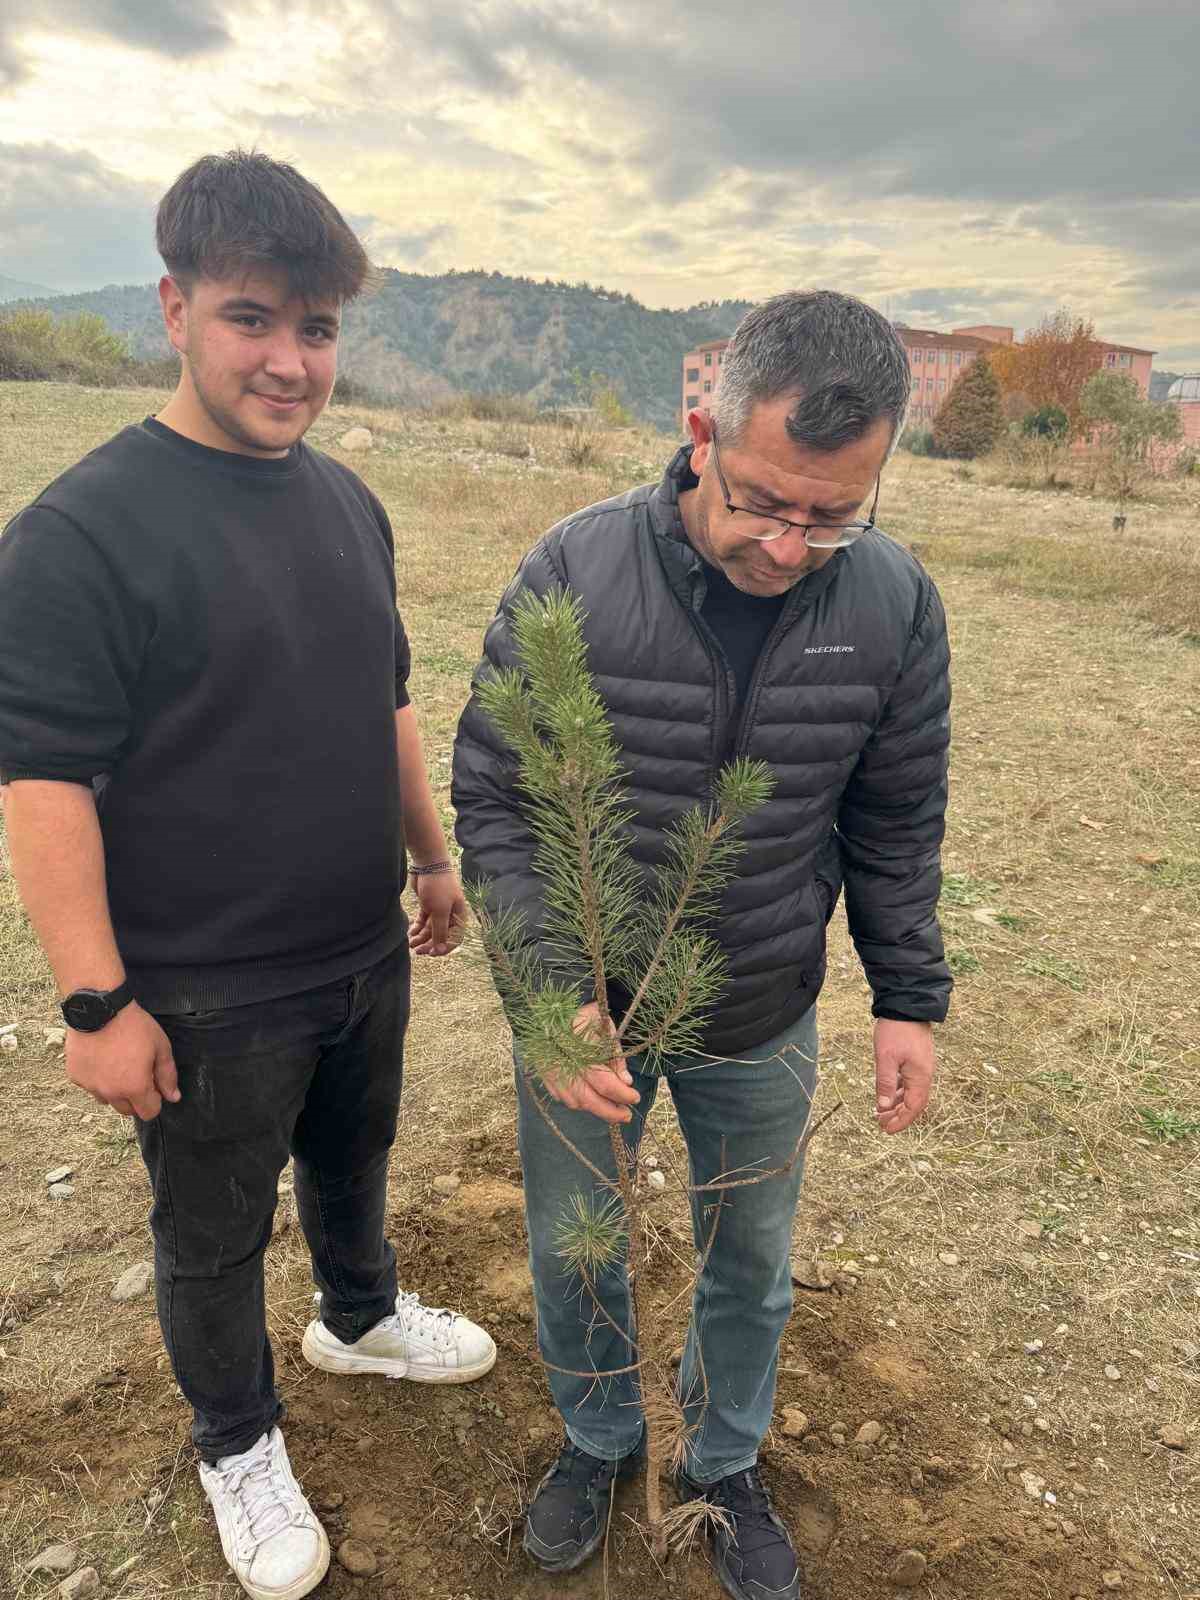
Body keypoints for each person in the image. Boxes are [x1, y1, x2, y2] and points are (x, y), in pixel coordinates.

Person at [0, 151, 494, 1600]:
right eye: (253, 320)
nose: (290, 362)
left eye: (318, 330)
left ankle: (358, 1314)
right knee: (210, 1235)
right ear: (172, 308)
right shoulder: (78, 536)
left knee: (356, 1161)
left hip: (358, 949)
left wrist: (430, 854)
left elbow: (384, 697)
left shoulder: (348, 504)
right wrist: (97, 1008)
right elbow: (43, 788)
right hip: (205, 994)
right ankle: (235, 1441)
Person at [453, 290, 951, 1600]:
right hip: (588, 1018)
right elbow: (497, 800)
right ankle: (602, 1438)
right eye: (764, 502)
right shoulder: (576, 569)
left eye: (834, 514)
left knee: (754, 1263)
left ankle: (723, 1459)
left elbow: (897, 820)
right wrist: (551, 996)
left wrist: (909, 997)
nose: (791, 546)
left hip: (764, 1007)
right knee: (580, 1239)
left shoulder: (895, 605)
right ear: (701, 434)